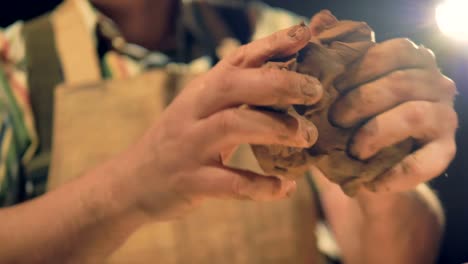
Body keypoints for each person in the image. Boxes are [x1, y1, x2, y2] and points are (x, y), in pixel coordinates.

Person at [0, 0, 457, 263]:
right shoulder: (13, 64)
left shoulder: (281, 40)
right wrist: (129, 188)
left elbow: (396, 256)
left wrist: (379, 151)